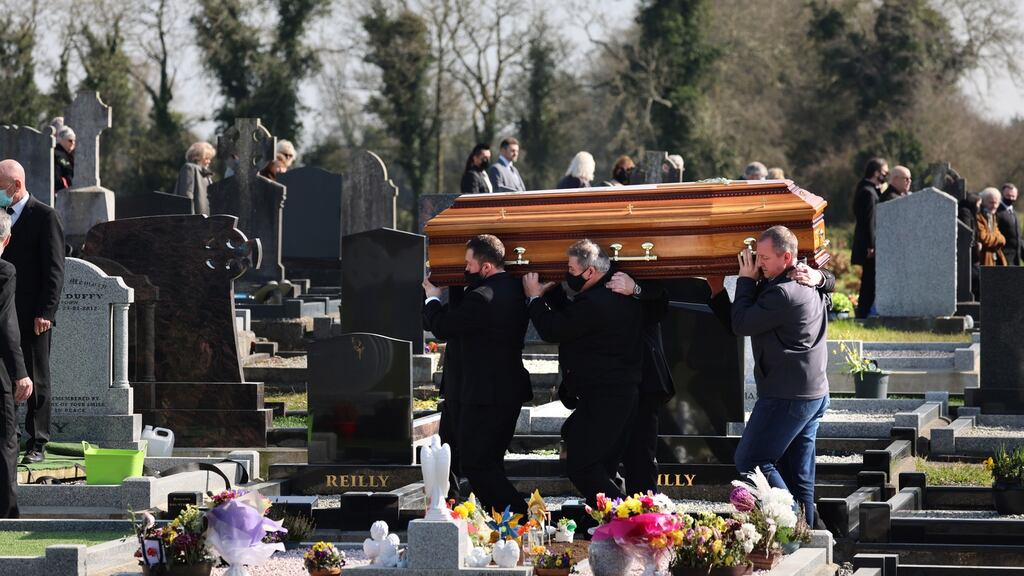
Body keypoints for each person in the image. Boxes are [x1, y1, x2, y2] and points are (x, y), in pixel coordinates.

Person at [707, 226, 829, 526]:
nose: (756, 262)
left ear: (787, 257)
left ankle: (792, 527)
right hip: (810, 393)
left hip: (786, 396)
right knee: (799, 477)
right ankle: (809, 540)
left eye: (763, 257)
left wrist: (745, 281)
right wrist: (719, 291)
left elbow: (744, 322)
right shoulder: (803, 282)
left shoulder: (783, 293)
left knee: (751, 460)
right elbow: (743, 320)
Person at [523, 240, 643, 504]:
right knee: (599, 460)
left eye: (570, 268)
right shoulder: (612, 293)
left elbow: (555, 329)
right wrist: (550, 295)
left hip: (607, 396)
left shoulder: (597, 302)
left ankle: (631, 518)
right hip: (617, 393)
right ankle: (611, 526)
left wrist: (533, 297)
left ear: (589, 272)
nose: (567, 274)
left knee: (581, 466)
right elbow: (572, 315)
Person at [422, 235, 532, 513]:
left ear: (485, 268)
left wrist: (433, 298)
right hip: (488, 390)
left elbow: (444, 326)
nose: (464, 269)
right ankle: (469, 515)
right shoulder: (512, 288)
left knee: (479, 465)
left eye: (468, 264)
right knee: (471, 459)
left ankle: (520, 519)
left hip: (487, 396)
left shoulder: (484, 298)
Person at [0, 160, 64, 465]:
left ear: (16, 185)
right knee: (6, 374)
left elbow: (54, 270)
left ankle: (38, 440)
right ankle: (8, 434)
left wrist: (46, 311)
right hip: (4, 309)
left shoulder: (44, 216)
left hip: (33, 313)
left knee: (37, 377)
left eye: (0, 187)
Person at [603, 272, 672, 494]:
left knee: (641, 457)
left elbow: (659, 304)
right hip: (607, 377)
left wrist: (636, 289)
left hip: (644, 377)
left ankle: (643, 520)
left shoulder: (647, 274)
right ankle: (607, 516)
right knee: (603, 456)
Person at [0, 211, 31, 518]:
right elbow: (6, 326)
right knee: (5, 440)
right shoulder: (4, 270)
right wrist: (20, 373)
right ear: (6, 239)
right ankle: (6, 514)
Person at [851, 157, 888, 318]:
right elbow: (869, 222)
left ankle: (864, 311)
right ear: (876, 172)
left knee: (869, 279)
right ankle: (864, 313)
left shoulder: (866, 188)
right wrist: (871, 245)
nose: (885, 176)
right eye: (884, 173)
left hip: (867, 243)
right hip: (868, 245)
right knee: (868, 281)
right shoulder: (868, 192)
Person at [173, 142, 216, 216]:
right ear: (197, 157)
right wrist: (191, 220)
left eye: (210, 159)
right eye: (206, 158)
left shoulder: (206, 174)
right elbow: (186, 196)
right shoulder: (190, 168)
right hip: (194, 221)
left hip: (206, 220)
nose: (209, 161)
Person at [977, 187, 1008, 267]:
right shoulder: (979, 216)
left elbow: (1000, 236)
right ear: (983, 202)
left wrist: (1000, 239)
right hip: (983, 261)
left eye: (996, 203)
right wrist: (999, 239)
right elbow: (983, 238)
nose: (994, 206)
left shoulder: (992, 215)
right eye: (991, 202)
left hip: (993, 260)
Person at [997, 183, 1020, 266]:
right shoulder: (997, 212)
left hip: (1015, 259)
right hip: (1002, 259)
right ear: (1002, 194)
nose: (1010, 198)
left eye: (1013, 196)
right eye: (1008, 195)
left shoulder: (1014, 213)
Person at [53, 126, 76, 193]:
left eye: (74, 141)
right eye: (70, 140)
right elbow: (57, 176)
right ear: (61, 140)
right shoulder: (56, 154)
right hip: (60, 192)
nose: (73, 143)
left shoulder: (69, 155)